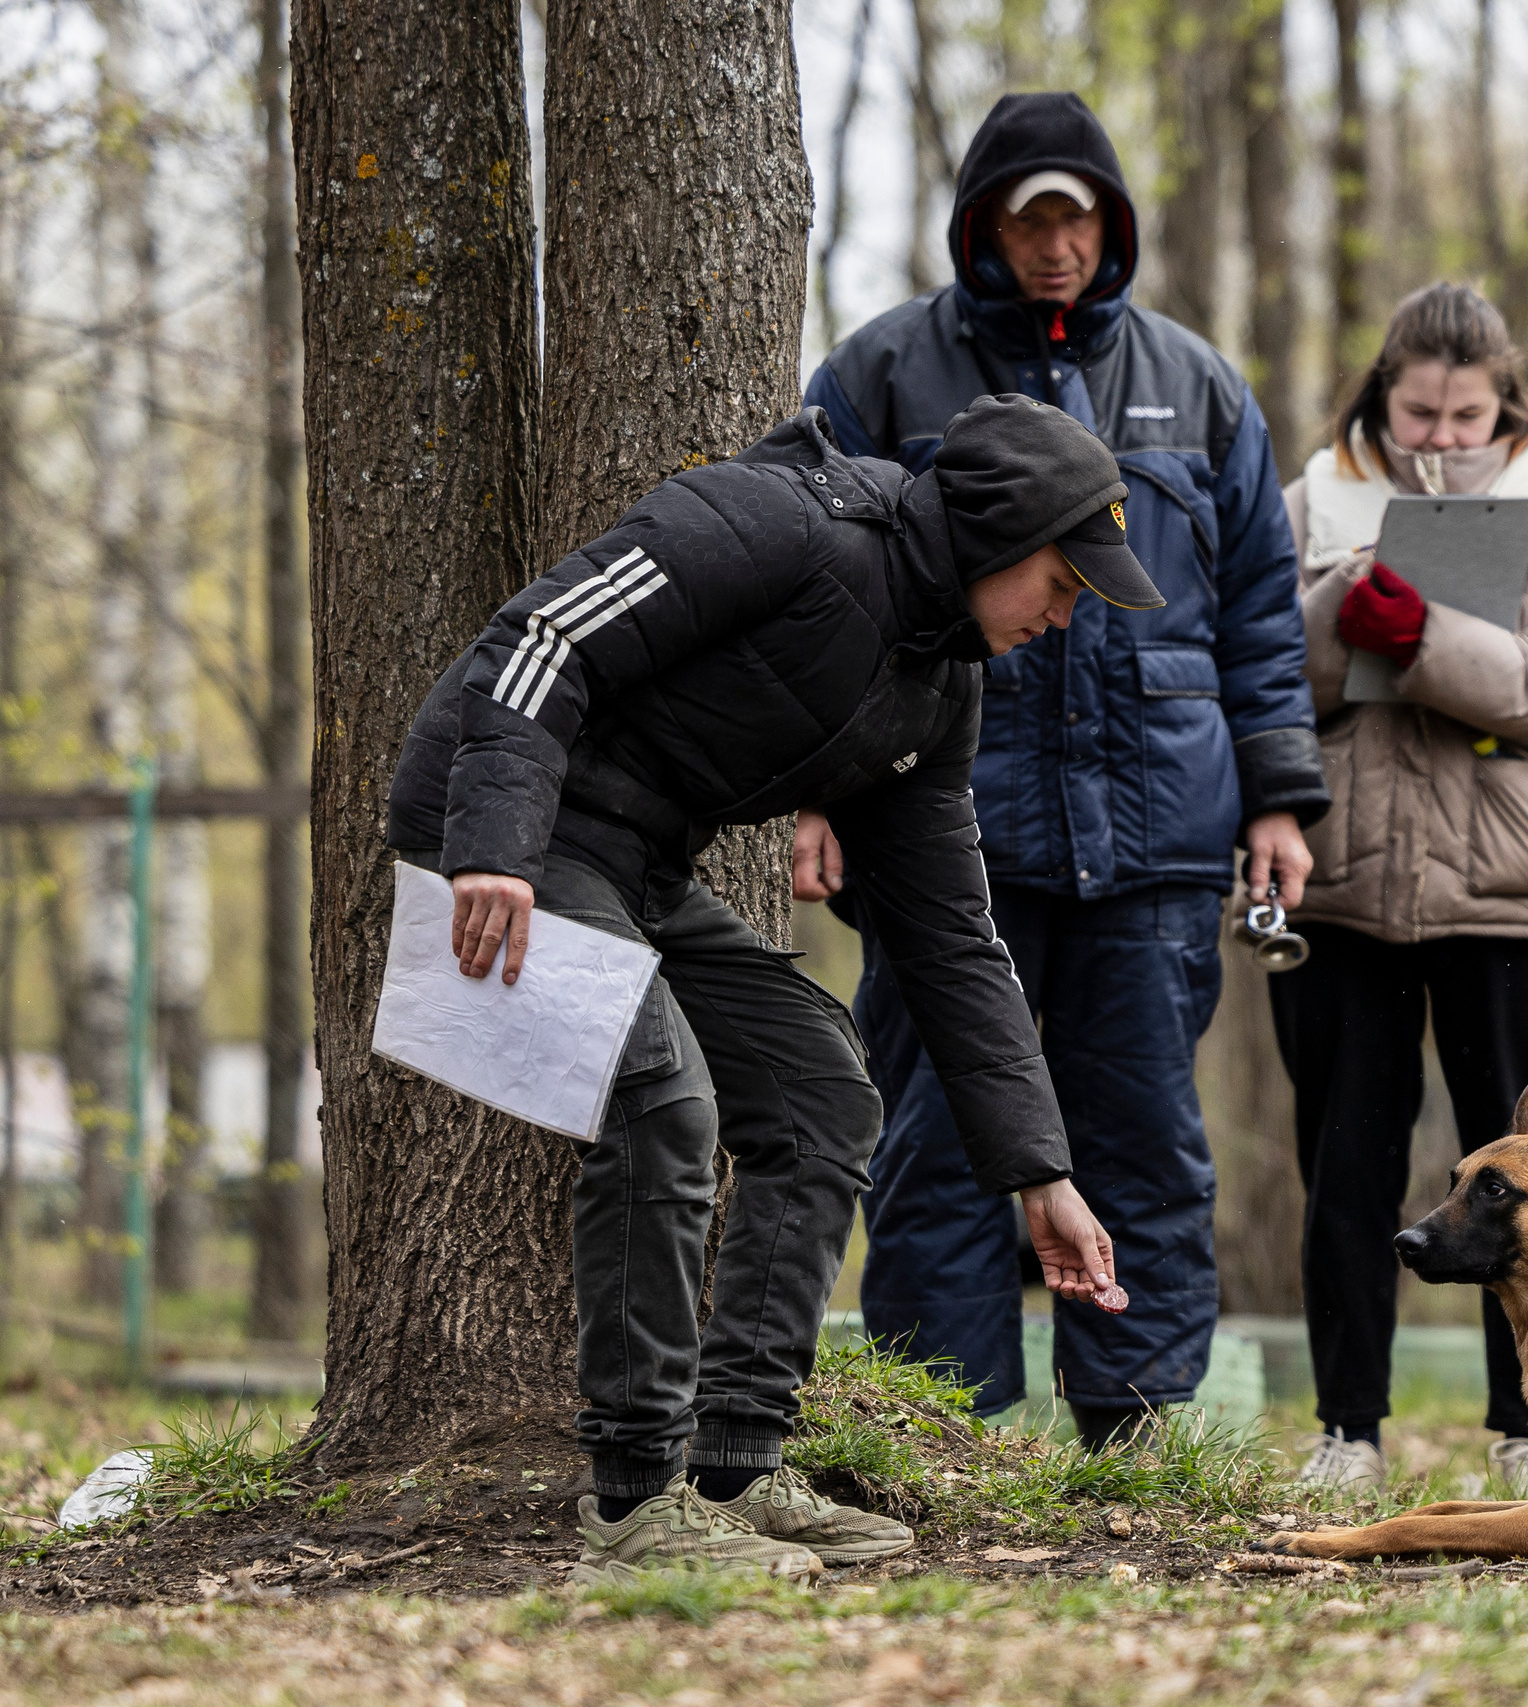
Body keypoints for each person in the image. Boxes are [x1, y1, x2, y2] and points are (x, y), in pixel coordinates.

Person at [387, 394, 1149, 1582]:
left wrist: (1037, 1174)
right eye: (1063, 581)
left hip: (632, 865)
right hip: (502, 842)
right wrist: (489, 841)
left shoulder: (936, 689)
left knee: (820, 1089)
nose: (1067, 613)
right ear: (1001, 534)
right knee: (663, 1105)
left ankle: (735, 1461)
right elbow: (540, 640)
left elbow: (949, 938)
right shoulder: (780, 520)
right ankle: (635, 1506)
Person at [799, 91, 1326, 1445]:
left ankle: (1138, 1425)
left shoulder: (1200, 385)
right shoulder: (881, 375)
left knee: (1145, 1138)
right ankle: (946, 1430)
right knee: (933, 1139)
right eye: (1030, 219)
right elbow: (820, 591)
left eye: (1077, 219)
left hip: (1155, 833)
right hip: (941, 828)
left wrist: (1276, 794)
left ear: (1112, 228)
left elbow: (1262, 608)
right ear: (984, 225)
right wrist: (810, 782)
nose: (1055, 246)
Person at [1268, 282, 1528, 1491]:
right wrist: (1342, 612)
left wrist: (1422, 640)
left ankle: (1526, 1425)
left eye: (1464, 415)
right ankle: (1348, 1430)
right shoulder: (1302, 509)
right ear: (1382, 398)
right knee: (1346, 1159)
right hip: (1343, 884)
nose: (1437, 437)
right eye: (1417, 412)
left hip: (1516, 892)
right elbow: (1256, 670)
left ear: (1505, 410)